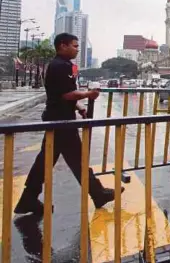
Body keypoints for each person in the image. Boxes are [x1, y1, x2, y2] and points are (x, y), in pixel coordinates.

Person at [14, 33, 124, 215]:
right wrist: (88, 95)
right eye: (74, 46)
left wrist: (79, 106)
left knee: (48, 160)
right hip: (60, 121)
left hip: (60, 118)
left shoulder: (62, 65)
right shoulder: (59, 66)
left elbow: (63, 94)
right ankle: (97, 193)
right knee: (71, 160)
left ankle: (29, 198)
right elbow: (66, 94)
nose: (77, 49)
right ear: (62, 46)